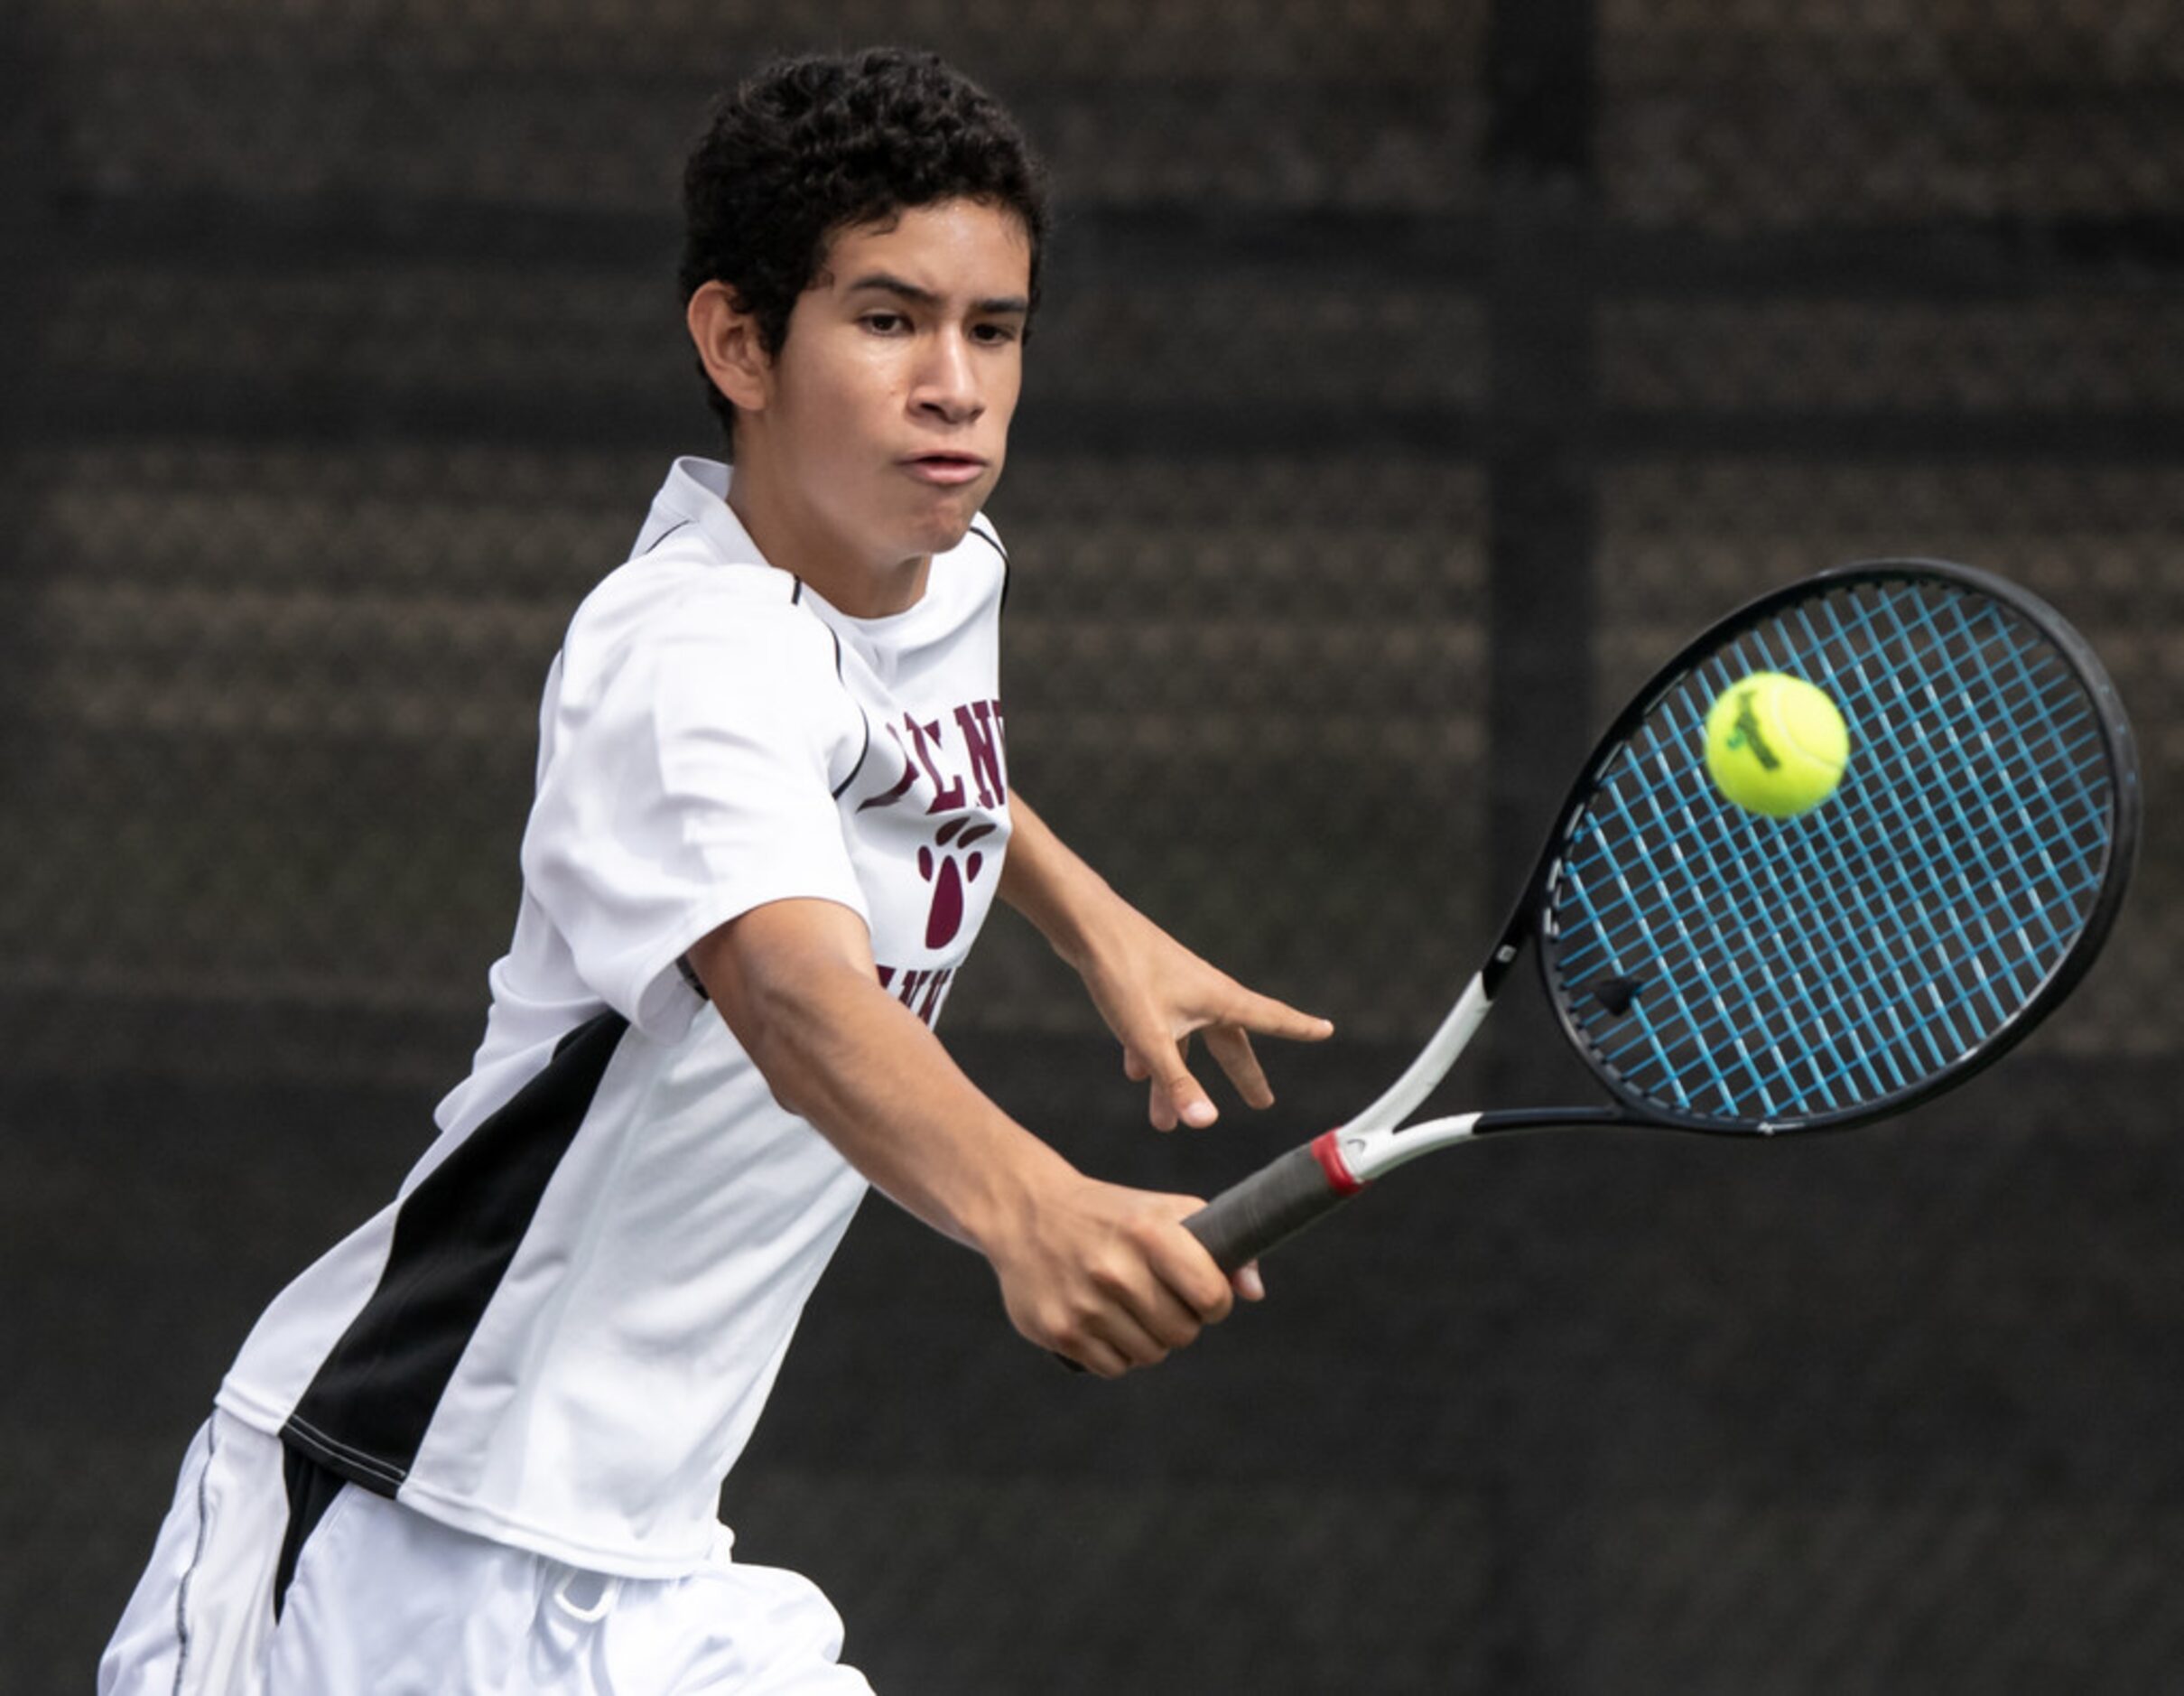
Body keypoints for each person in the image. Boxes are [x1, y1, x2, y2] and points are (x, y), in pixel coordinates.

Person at [99, 46, 1331, 1695]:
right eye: (887, 321)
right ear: (738, 344)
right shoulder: (684, 656)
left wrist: (1088, 916)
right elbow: (791, 988)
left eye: (995, 328)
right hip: (389, 1551)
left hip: (655, 1573)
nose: (954, 384)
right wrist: (1035, 1209)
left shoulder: (928, 566)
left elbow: (884, 739)